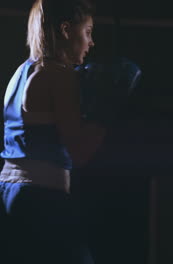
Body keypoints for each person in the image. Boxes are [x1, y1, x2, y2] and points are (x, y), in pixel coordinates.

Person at [0, 0, 105, 263]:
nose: (91, 43)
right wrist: (107, 111)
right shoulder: (59, 75)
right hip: (42, 198)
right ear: (67, 29)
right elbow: (80, 154)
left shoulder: (21, 72)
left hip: (10, 192)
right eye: (88, 32)